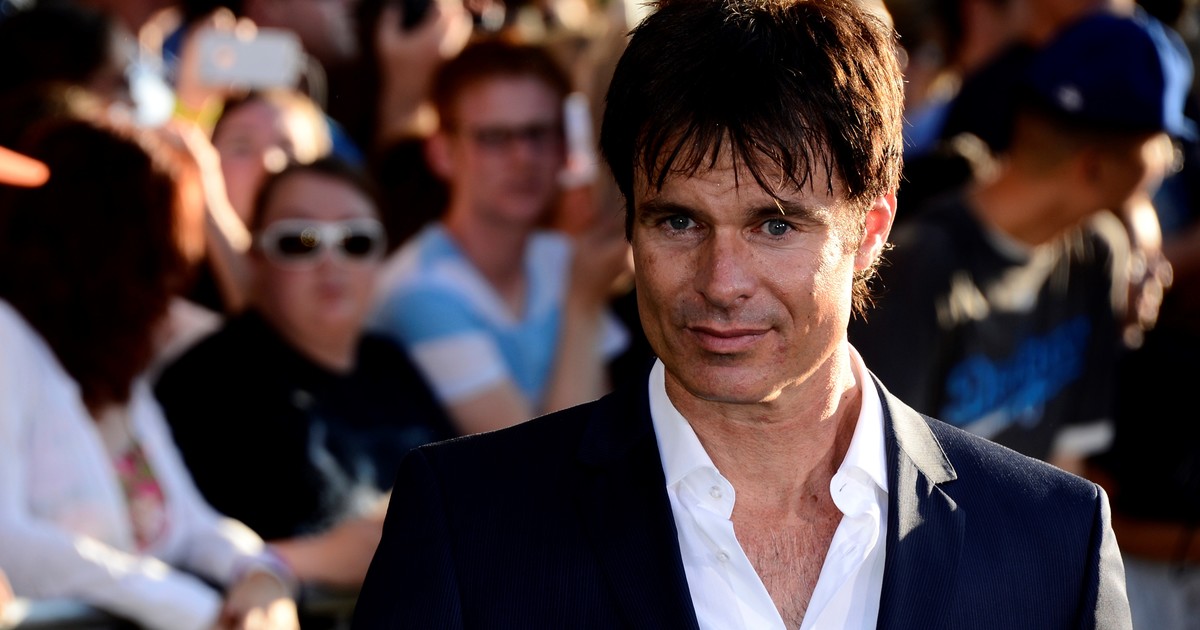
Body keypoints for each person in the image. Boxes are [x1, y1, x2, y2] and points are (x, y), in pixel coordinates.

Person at [350, 1, 1132, 628]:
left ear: (871, 231)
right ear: (629, 226)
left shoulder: (1053, 540)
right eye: (678, 221)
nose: (721, 282)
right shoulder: (467, 522)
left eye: (775, 226)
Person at [0, 90, 299, 630]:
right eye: (157, 249)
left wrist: (261, 576)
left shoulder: (111, 371)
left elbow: (190, 524)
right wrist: (196, 611)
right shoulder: (7, 340)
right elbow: (11, 541)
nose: (172, 279)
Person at [849, 8, 1192, 474]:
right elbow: (883, 478)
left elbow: (1068, 469)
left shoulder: (1098, 253)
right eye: (1165, 146)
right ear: (1093, 166)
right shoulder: (919, 268)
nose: (1168, 162)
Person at [154, 157, 458, 598]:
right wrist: (317, 558)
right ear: (256, 257)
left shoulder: (391, 361)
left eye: (356, 241)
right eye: (300, 241)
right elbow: (180, 553)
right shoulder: (205, 385)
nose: (331, 262)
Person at [369, 35, 632, 435]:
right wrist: (582, 303)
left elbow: (609, 429)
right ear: (442, 153)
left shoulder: (561, 257)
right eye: (494, 137)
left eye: (538, 133)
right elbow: (537, 463)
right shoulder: (418, 291)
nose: (523, 157)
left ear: (565, 147)